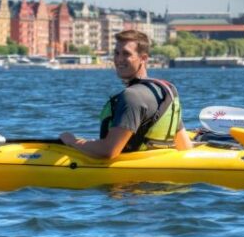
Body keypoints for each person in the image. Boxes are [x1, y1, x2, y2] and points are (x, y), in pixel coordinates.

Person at [59, 30, 193, 159]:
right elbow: (185, 146)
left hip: (132, 181)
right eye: (116, 53)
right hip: (161, 172)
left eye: (126, 54)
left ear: (143, 58)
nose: (119, 59)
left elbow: (109, 151)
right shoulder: (167, 90)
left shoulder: (131, 96)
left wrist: (72, 141)